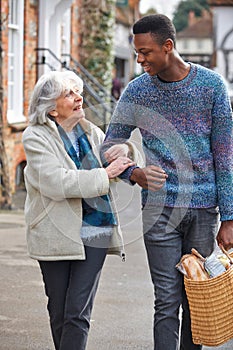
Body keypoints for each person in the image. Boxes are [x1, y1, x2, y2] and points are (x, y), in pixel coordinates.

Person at [101, 14, 233, 350]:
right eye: (137, 53)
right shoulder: (137, 91)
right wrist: (134, 173)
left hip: (204, 211)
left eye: (146, 52)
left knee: (195, 298)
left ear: (168, 46)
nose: (140, 59)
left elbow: (225, 156)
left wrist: (229, 217)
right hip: (159, 212)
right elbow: (108, 145)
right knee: (166, 300)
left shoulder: (212, 86)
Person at [22, 70, 137, 350]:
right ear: (50, 109)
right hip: (55, 232)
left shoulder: (91, 131)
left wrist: (126, 151)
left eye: (78, 91)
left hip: (96, 228)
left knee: (77, 311)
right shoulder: (35, 138)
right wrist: (105, 174)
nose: (78, 97)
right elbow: (56, 182)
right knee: (59, 309)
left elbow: (115, 158)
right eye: (69, 94)